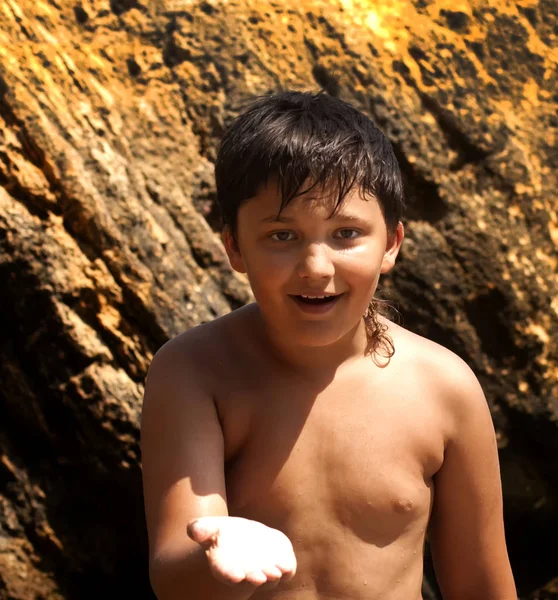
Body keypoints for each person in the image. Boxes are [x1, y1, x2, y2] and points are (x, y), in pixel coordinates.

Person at [140, 89, 517, 600]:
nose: (316, 268)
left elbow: (481, 587)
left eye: (346, 234)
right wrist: (219, 554)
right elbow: (173, 573)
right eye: (281, 236)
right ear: (234, 246)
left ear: (391, 243)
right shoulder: (194, 373)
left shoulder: (445, 389)